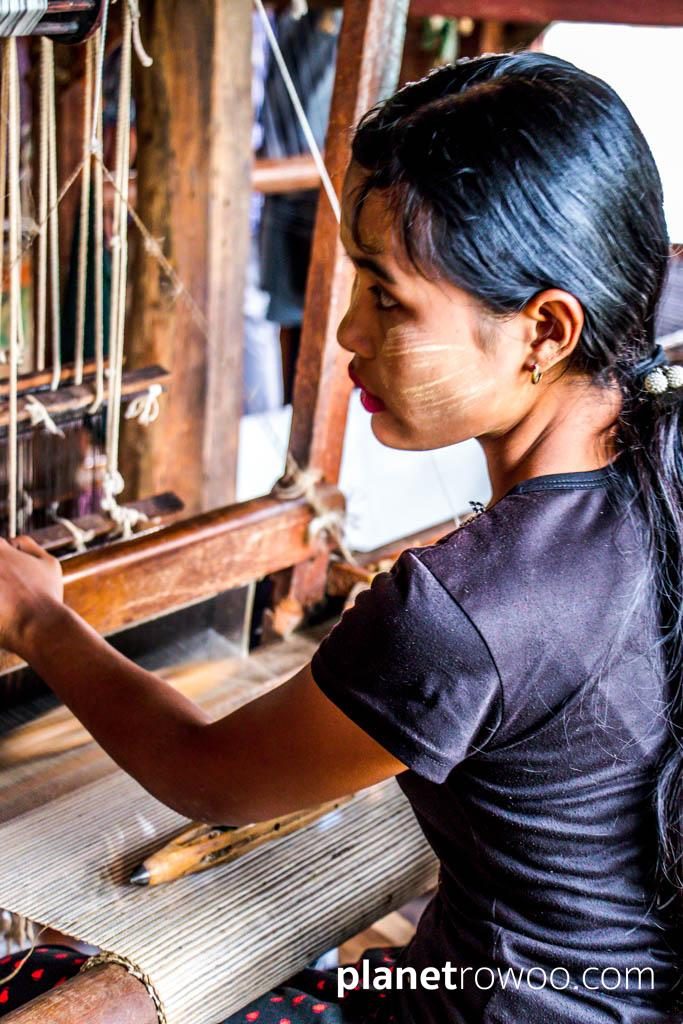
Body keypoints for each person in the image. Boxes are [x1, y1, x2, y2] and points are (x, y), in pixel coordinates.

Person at [0, 52, 679, 1023]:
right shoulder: (657, 468)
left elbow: (209, 774)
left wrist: (37, 617)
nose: (345, 333)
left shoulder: (457, 615)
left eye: (387, 297)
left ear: (543, 329)